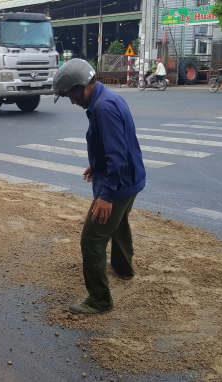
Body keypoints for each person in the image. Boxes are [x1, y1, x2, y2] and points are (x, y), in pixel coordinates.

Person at [53, 58, 146, 315]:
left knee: (92, 240)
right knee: (118, 224)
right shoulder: (109, 99)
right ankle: (124, 269)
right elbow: (117, 144)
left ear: (79, 86)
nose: (71, 101)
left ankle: (99, 300)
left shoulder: (103, 108)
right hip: (130, 179)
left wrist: (106, 196)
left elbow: (117, 156)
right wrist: (97, 166)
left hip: (118, 184)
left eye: (69, 94)